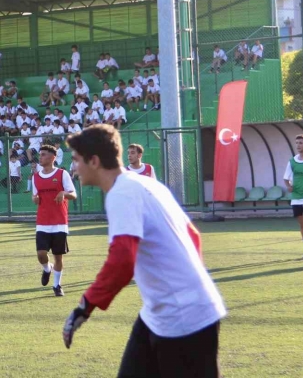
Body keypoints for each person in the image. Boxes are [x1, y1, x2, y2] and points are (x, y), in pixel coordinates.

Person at [62, 125, 227, 377]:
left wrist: (85, 306)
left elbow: (122, 260)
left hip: (185, 319)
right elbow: (193, 236)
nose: (74, 167)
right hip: (158, 314)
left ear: (93, 161)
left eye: (76, 160)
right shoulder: (144, 184)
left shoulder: (122, 194)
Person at [32, 144, 77, 297]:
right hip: (42, 222)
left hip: (59, 222)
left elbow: (73, 194)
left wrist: (63, 193)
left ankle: (57, 285)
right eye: (40, 154)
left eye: (44, 154)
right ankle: (46, 269)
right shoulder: (36, 176)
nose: (41, 157)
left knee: (58, 256)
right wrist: (35, 198)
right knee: (41, 254)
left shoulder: (62, 174)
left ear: (53, 157)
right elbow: (35, 196)